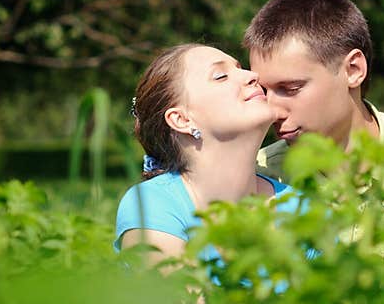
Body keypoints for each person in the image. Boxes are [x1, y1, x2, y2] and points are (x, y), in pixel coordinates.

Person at [115, 43, 302, 268]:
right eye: (221, 76)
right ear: (182, 120)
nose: (253, 75)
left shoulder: (301, 208)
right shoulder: (150, 207)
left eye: (240, 67)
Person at [243, 0, 384, 182]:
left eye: (291, 88)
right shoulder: (256, 176)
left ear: (353, 70)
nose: (271, 111)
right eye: (263, 91)